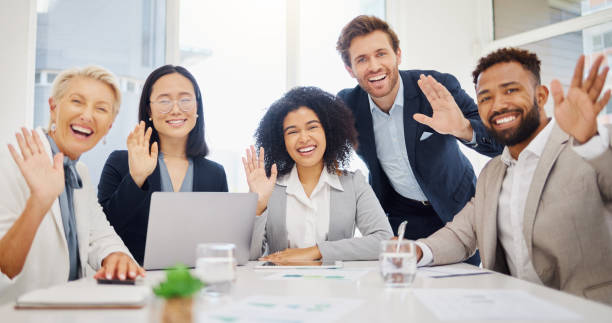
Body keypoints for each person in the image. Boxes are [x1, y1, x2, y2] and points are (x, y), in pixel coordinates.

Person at [416, 48, 612, 305]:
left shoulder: (586, 148)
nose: (498, 105)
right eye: (485, 98)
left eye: (511, 90)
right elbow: (461, 234)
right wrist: (416, 251)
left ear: (541, 96)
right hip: (512, 308)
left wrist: (590, 142)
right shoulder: (492, 173)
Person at [336, 15, 503, 266]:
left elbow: (501, 144)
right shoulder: (348, 105)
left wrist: (463, 128)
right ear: (350, 69)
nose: (374, 66)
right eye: (362, 59)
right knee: (402, 294)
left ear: (398, 55)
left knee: (461, 290)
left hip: (456, 213)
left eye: (381, 53)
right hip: (400, 217)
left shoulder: (436, 87)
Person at [0, 66, 143, 304]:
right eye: (77, 101)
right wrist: (39, 201)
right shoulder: (11, 161)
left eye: (101, 108)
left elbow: (100, 234)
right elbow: (5, 266)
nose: (87, 115)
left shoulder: (80, 172)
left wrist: (116, 255)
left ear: (109, 126)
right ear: (53, 108)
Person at [97, 65, 228, 265]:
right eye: (164, 101)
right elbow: (103, 232)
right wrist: (136, 179)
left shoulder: (215, 174)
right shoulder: (121, 162)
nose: (175, 110)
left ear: (197, 107)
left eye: (185, 100)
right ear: (149, 109)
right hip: (134, 282)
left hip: (196, 284)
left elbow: (223, 240)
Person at [245, 87, 393, 261]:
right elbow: (248, 256)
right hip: (279, 286)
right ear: (281, 140)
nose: (304, 138)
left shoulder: (354, 184)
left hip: (335, 286)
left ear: (328, 132)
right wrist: (258, 205)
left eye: (312, 127)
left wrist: (316, 252)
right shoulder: (270, 187)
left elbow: (385, 241)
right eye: (292, 131)